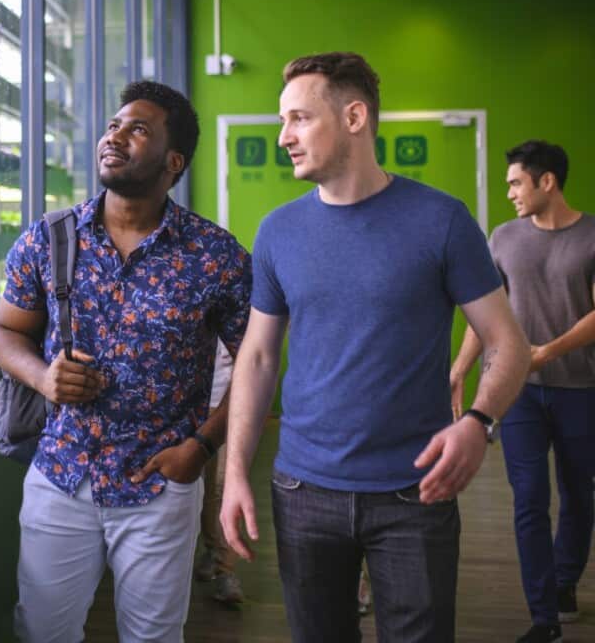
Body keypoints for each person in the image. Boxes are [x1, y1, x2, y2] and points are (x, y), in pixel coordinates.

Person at [219, 51, 531, 643]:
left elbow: (508, 344)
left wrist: (479, 422)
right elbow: (257, 358)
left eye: (299, 119)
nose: (284, 136)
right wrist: (235, 473)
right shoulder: (277, 231)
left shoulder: (441, 221)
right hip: (302, 491)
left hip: (415, 492)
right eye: (282, 121)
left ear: (355, 117)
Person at [0, 80, 251, 643]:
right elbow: (6, 331)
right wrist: (43, 376)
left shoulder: (215, 256)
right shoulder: (49, 240)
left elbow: (258, 363)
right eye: (113, 125)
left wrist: (202, 448)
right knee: (41, 632)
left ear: (173, 160)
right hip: (61, 476)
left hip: (160, 484)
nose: (115, 136)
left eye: (138, 129)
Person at [450, 140, 595, 643]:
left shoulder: (593, 235)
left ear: (546, 182)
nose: (509, 191)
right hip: (519, 393)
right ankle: (544, 617)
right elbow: (485, 310)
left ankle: (563, 580)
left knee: (579, 494)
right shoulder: (503, 238)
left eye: (515, 182)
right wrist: (460, 368)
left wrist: (546, 352)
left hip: (582, 389)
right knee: (530, 499)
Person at [193, 342, 244, 607]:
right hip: (189, 408)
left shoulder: (242, 307)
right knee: (198, 489)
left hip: (228, 409)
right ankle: (212, 548)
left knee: (224, 486)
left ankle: (226, 570)